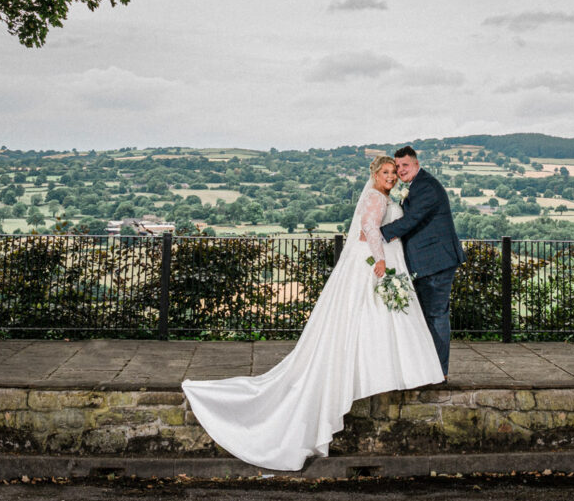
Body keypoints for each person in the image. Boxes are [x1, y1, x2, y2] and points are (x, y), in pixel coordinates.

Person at [181, 156, 441, 471]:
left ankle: (381, 370)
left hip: (377, 260)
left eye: (392, 173)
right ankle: (376, 371)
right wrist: (380, 261)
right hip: (372, 263)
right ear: (374, 175)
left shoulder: (384, 197)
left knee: (375, 322)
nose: (390, 177)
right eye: (385, 172)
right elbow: (369, 229)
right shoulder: (375, 197)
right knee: (367, 321)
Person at [377, 146, 465, 380]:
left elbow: (413, 220)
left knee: (436, 316)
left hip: (436, 262)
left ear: (416, 164)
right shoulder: (418, 186)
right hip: (429, 262)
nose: (400, 170)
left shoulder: (425, 187)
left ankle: (439, 373)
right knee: (427, 316)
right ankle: (430, 369)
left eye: (405, 165)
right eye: (397, 166)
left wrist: (379, 233)